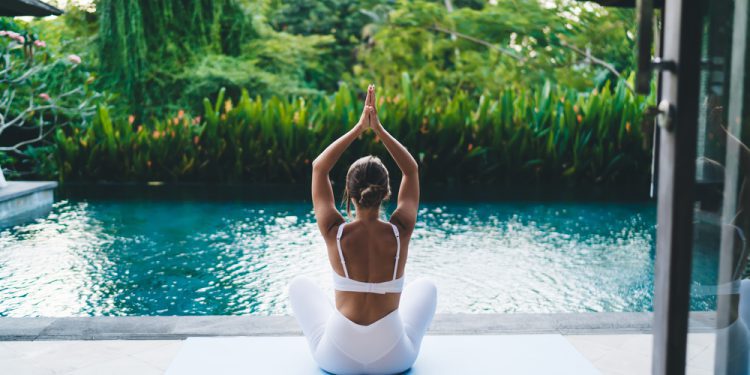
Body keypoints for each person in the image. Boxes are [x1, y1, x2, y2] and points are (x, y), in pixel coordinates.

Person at [288, 84, 437, 374]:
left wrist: (359, 128)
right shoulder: (401, 229)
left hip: (337, 358)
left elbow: (319, 167)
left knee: (299, 286)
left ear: (349, 192)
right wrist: (379, 130)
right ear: (386, 192)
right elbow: (412, 170)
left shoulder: (334, 230)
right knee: (427, 287)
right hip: (394, 359)